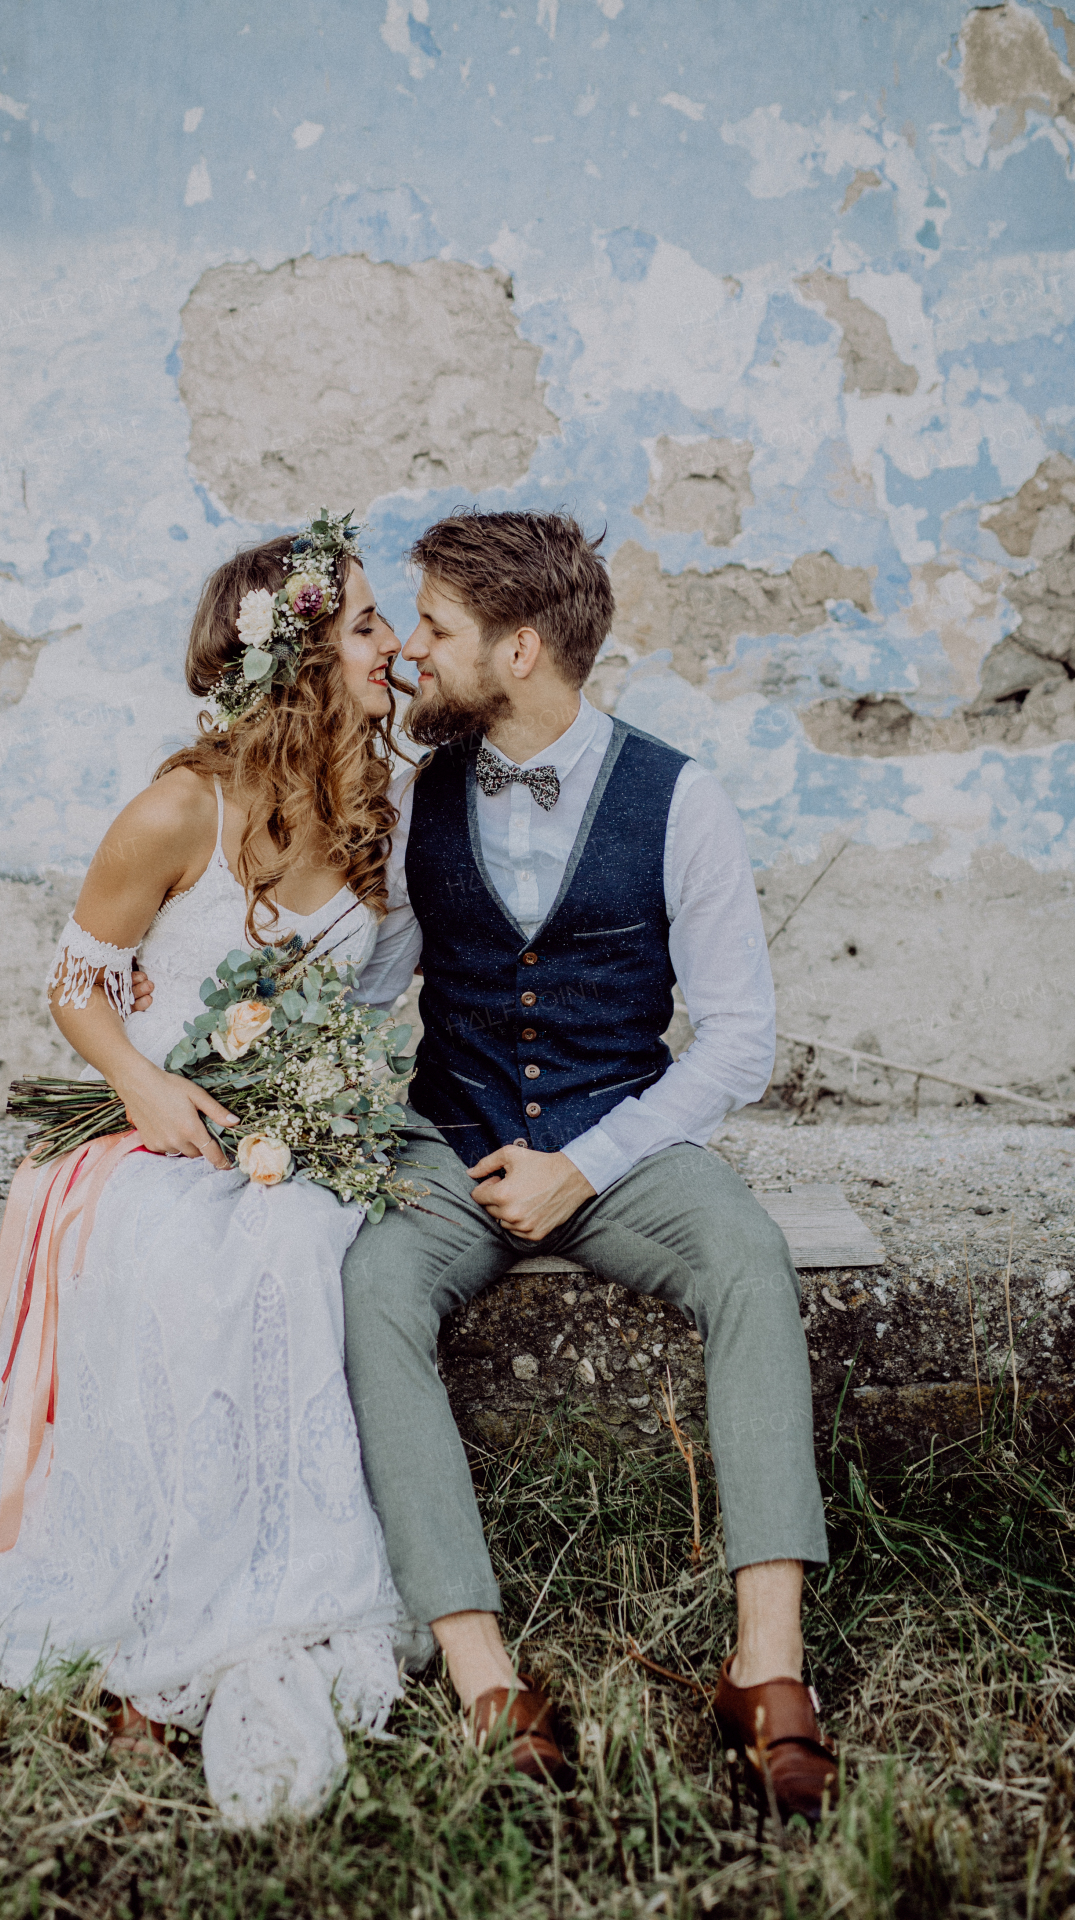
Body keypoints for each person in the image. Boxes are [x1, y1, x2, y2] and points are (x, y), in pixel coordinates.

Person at [336, 509, 839, 1828]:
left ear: (516, 649)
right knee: (376, 1282)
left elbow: (739, 1043)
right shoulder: (416, 798)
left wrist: (585, 1164)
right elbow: (375, 983)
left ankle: (768, 1672)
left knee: (748, 1255)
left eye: (433, 629)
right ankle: (486, 1675)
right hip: (448, 1133)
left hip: (625, 1142)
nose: (412, 655)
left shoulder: (681, 798)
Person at [0, 516, 429, 1830]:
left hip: (298, 1131)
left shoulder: (370, 808)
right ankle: (154, 1600)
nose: (395, 643)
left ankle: (272, 1585)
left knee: (289, 1248)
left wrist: (344, 1094)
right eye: (370, 623)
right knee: (178, 1262)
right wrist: (147, 1084)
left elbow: (376, 995)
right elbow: (77, 981)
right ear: (300, 656)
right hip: (162, 1131)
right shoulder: (184, 802)